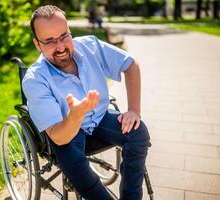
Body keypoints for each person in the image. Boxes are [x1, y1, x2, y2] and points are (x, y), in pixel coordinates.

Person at [23, 5, 151, 200]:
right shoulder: (35, 79)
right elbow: (58, 136)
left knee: (138, 132)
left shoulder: (90, 46)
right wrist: (75, 115)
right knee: (71, 160)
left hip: (100, 117)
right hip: (67, 130)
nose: (60, 47)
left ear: (70, 32)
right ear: (37, 44)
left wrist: (134, 110)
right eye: (49, 41)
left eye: (64, 36)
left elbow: (130, 65)